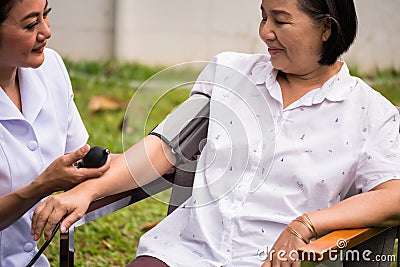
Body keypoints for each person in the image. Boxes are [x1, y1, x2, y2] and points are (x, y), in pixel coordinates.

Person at [31, 0, 400, 266]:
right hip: (182, 253)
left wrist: (306, 225)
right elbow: (164, 149)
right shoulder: (230, 73)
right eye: (263, 15)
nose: (264, 32)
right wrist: (88, 190)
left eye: (281, 21)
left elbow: (393, 196)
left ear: (326, 28)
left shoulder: (369, 112)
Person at [0, 0, 110, 266]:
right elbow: (54, 179)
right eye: (30, 24)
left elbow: (85, 163)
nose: (46, 31)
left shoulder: (50, 68)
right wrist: (43, 186)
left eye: (45, 15)